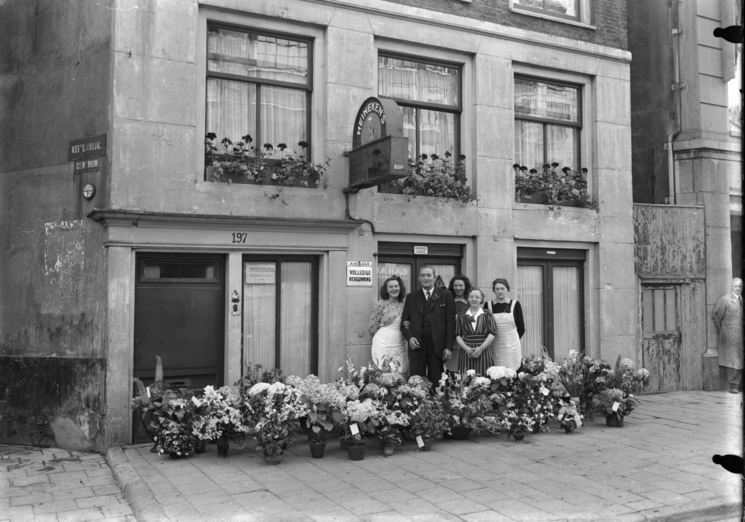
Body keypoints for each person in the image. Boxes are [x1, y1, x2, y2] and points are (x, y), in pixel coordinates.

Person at [400, 265, 456, 387]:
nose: (426, 278)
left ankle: (437, 405)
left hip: (438, 347)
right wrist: (410, 338)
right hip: (417, 346)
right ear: (419, 278)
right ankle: (416, 405)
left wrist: (448, 347)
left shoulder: (446, 295)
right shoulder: (411, 297)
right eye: (423, 275)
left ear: (434, 278)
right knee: (416, 382)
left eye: (428, 275)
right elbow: (404, 324)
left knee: (437, 383)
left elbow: (451, 324)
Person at [369, 276, 409, 373]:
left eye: (396, 286)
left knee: (399, 370)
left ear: (400, 288)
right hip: (383, 343)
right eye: (391, 287)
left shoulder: (405, 303)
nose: (394, 289)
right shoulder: (381, 304)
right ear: (386, 290)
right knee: (382, 371)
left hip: (399, 342)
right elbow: (372, 326)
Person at [485, 278, 525, 371]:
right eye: (497, 289)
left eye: (502, 288)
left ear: (507, 289)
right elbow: (486, 327)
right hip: (495, 345)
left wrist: (512, 341)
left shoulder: (515, 304)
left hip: (512, 346)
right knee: (496, 372)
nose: (500, 291)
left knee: (514, 371)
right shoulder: (488, 305)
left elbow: (521, 327)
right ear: (494, 290)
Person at [456, 288, 497, 375]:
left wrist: (480, 349)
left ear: (481, 299)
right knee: (466, 378)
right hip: (466, 351)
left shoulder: (487, 314)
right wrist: (466, 349)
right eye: (471, 297)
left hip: (484, 350)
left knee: (484, 379)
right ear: (467, 298)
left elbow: (492, 333)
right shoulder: (461, 316)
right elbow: (457, 335)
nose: (474, 299)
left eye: (477, 297)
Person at [713, 278, 743, 394]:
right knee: (733, 360)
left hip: (740, 335)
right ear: (731, 287)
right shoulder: (725, 300)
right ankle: (733, 385)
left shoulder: (742, 300)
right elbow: (716, 316)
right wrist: (724, 331)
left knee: (739, 358)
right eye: (736, 286)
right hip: (730, 335)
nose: (738, 288)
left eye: (740, 286)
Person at [445, 275, 471, 372]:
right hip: (450, 343)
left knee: (466, 371)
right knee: (450, 372)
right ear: (452, 286)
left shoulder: (470, 303)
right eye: (456, 285)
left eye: (461, 285)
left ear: (466, 286)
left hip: (466, 343)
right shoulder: (447, 301)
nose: (458, 288)